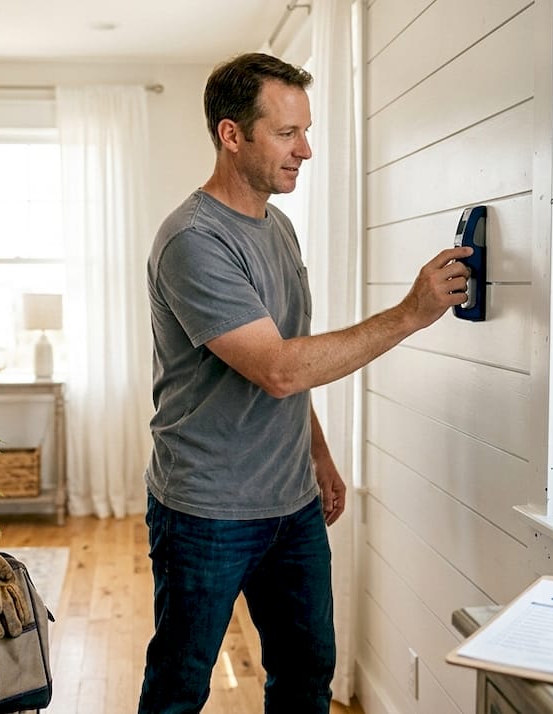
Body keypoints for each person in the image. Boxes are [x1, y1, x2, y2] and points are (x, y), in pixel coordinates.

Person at [140, 52, 473, 713]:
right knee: (180, 685)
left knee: (305, 674)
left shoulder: (279, 227)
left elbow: (291, 353)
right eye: (288, 133)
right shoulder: (192, 240)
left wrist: (317, 453)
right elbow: (279, 368)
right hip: (207, 510)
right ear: (232, 134)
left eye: (307, 130)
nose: (306, 150)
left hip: (290, 504)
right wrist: (410, 314)